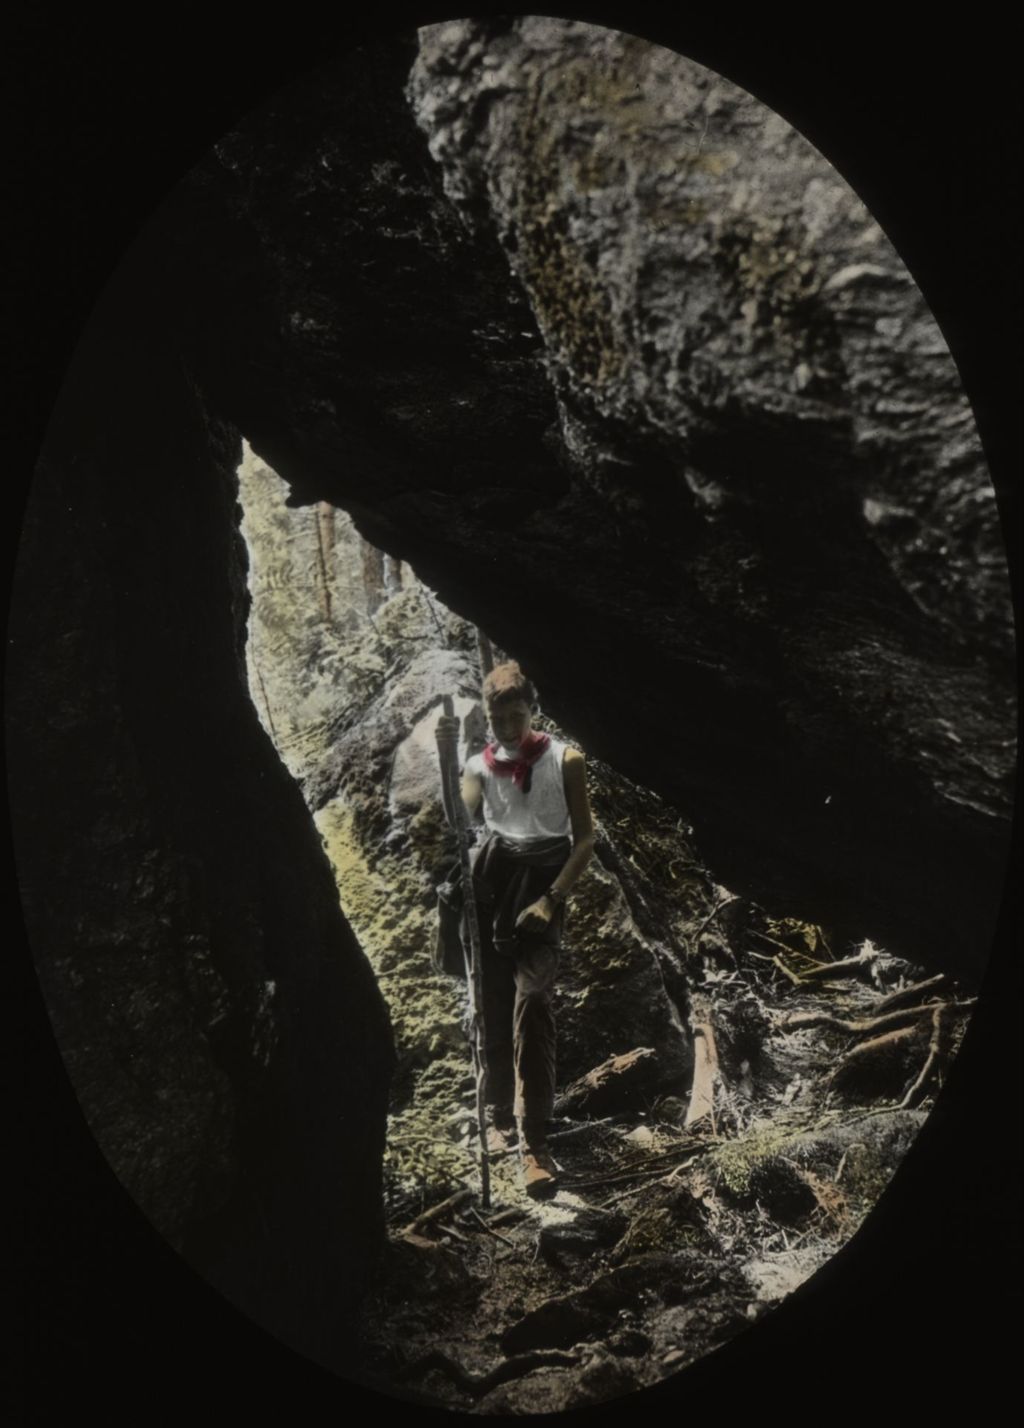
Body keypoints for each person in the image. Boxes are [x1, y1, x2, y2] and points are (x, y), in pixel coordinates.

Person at [438, 662, 595, 1197]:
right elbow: (460, 824)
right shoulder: (480, 766)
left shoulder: (565, 760)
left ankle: (536, 1142)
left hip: (543, 884)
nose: (506, 725)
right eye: (496, 716)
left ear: (533, 710)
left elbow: (585, 842)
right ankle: (499, 1114)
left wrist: (552, 902)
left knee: (533, 1003)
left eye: (516, 714)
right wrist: (449, 754)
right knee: (493, 997)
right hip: (492, 883)